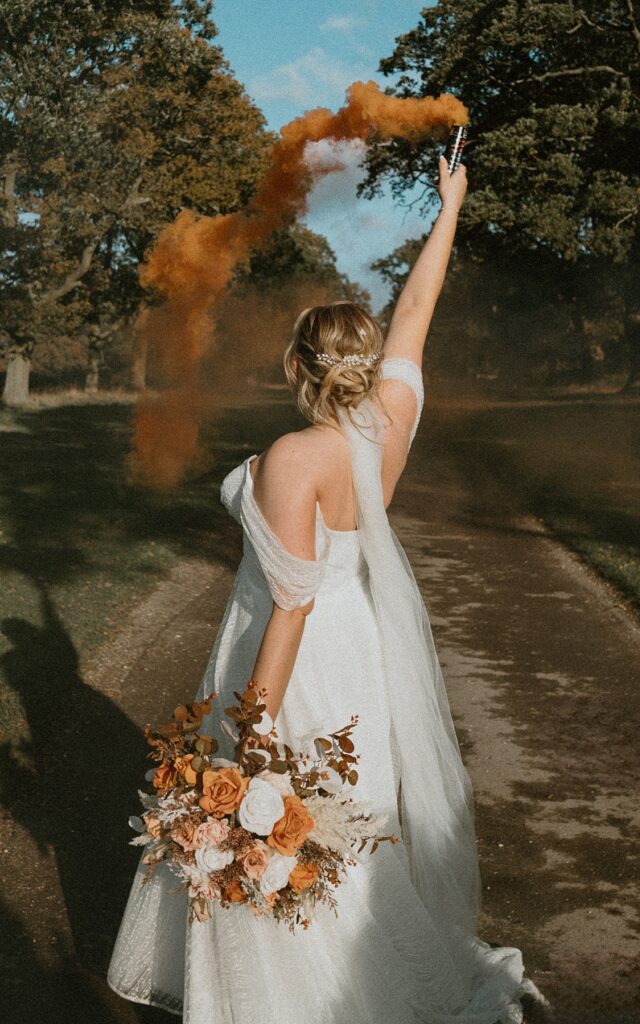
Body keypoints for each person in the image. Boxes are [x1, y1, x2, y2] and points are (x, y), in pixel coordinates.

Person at [107, 157, 542, 1023]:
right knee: (347, 823)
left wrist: (250, 733)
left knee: (271, 817)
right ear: (366, 361)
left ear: (296, 364)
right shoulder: (388, 422)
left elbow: (290, 601)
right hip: (359, 649)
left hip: (291, 657)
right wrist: (450, 206)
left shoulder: (293, 456)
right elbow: (417, 314)